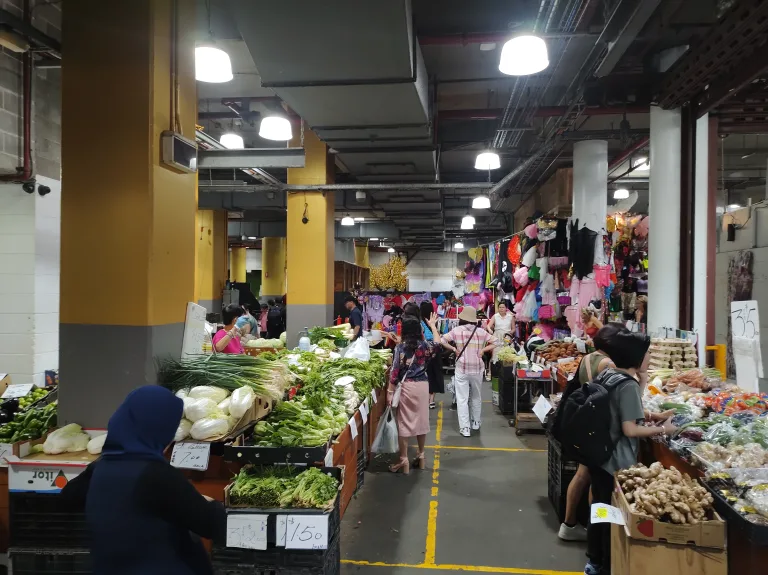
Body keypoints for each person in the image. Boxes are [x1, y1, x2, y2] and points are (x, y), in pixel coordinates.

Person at [61, 386, 226, 574]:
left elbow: (68, 496)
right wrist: (211, 504)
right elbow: (210, 524)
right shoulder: (156, 475)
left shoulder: (100, 467)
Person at [583, 328, 676, 575]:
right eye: (647, 354)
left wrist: (653, 414)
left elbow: (624, 409)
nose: (650, 357)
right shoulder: (628, 385)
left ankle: (594, 560)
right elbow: (630, 429)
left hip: (599, 456)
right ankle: (604, 563)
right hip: (614, 460)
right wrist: (663, 429)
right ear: (636, 357)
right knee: (611, 514)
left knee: (600, 508)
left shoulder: (611, 375)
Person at [557, 325, 618, 541]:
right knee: (596, 479)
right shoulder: (608, 364)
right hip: (598, 425)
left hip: (585, 421)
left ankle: (569, 524)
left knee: (582, 474)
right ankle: (594, 533)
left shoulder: (587, 358)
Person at [387, 313, 441, 474]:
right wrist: (433, 326)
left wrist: (390, 392)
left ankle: (404, 459)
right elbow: (438, 343)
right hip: (423, 386)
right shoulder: (425, 346)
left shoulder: (400, 347)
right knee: (421, 421)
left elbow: (395, 371)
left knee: (404, 422)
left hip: (407, 388)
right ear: (418, 330)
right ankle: (421, 455)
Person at [441, 306, 495, 437]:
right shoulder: (481, 331)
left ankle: (465, 428)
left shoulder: (456, 330)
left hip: (462, 369)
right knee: (476, 396)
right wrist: (483, 350)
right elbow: (497, 342)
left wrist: (454, 349)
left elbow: (442, 340)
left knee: (462, 399)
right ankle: (476, 422)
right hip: (477, 369)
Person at [419, 301, 444, 409]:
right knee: (434, 375)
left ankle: (425, 399)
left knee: (425, 375)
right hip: (435, 352)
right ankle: (431, 400)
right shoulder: (433, 322)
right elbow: (438, 336)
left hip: (424, 352)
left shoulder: (419, 322)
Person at [487, 301, 515, 365]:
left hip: (507, 337)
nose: (501, 309)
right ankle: (495, 368)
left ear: (506, 308)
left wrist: (509, 333)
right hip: (497, 336)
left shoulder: (510, 316)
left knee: (507, 353)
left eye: (503, 307)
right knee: (496, 353)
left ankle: (506, 369)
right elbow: (488, 326)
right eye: (500, 307)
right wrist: (490, 330)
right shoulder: (495, 316)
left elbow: (513, 329)